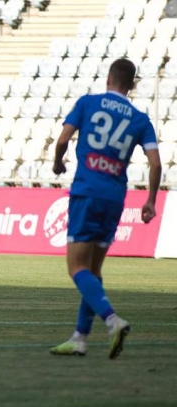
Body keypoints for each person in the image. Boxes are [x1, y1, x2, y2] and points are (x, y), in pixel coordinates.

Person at [50, 58, 161, 359]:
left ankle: (112, 320)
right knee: (94, 270)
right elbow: (155, 164)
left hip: (87, 191)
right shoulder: (140, 119)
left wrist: (58, 162)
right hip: (114, 197)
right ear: (131, 85)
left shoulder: (88, 103)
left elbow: (63, 139)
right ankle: (80, 338)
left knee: (76, 268)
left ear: (108, 79)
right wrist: (150, 200)